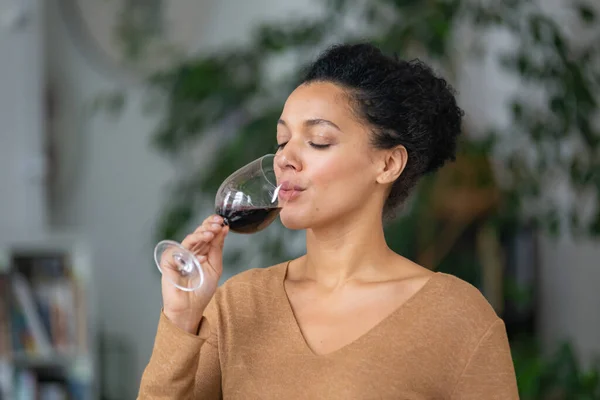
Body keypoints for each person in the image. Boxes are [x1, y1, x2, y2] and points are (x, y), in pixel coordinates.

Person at [138, 43, 519, 399]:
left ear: (387, 164)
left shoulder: (457, 316)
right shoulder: (238, 305)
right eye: (282, 140)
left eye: (318, 140)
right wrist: (182, 319)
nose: (285, 158)